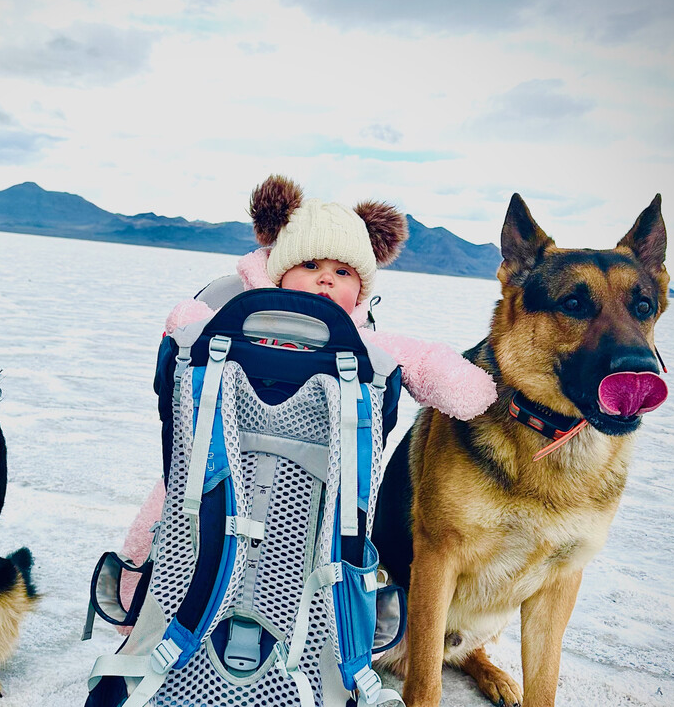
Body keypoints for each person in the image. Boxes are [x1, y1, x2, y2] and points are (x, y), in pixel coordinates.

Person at [118, 175, 497, 593]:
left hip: (312, 484)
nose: (326, 279)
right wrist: (190, 323)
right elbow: (188, 328)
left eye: (343, 271)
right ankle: (142, 601)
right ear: (279, 271)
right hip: (218, 468)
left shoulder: (361, 345)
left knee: (304, 562)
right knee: (170, 515)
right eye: (310, 265)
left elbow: (425, 362)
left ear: (361, 289)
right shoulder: (234, 329)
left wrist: (466, 385)